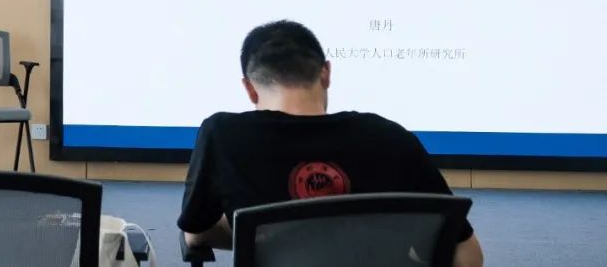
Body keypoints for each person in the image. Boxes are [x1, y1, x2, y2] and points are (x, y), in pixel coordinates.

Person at [178, 20, 484, 267]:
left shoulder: (223, 135)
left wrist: (263, 236)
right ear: (326, 73)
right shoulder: (391, 137)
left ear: (250, 89)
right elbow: (468, 256)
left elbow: (196, 233)